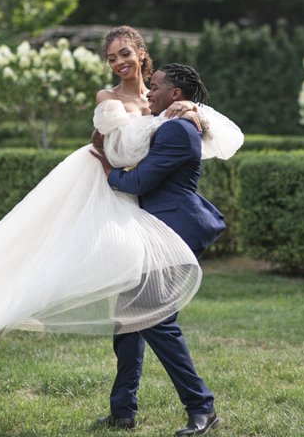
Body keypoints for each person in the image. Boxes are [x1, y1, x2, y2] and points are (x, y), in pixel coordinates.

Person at [0, 25, 243, 349]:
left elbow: (214, 136)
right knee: (46, 250)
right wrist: (140, 136)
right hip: (103, 181)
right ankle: (4, 310)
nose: (119, 63)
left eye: (124, 53)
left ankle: (124, 404)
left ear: (141, 54)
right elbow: (123, 148)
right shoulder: (109, 100)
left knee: (129, 304)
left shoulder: (163, 98)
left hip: (137, 194)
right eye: (111, 58)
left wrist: (191, 111)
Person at [90, 63, 226, 436]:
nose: (149, 92)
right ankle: (122, 411)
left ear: (176, 95)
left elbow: (136, 181)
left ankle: (202, 408)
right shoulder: (168, 124)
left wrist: (105, 166)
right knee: (127, 323)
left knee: (156, 322)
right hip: (148, 233)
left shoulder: (179, 132)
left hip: (173, 232)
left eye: (156, 87)